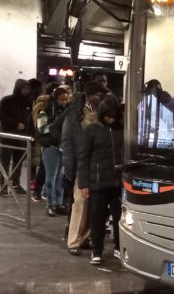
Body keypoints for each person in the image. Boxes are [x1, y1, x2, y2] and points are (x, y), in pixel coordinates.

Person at [77, 95, 125, 265]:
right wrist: (83, 183)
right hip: (97, 182)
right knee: (97, 218)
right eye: (108, 116)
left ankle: (120, 247)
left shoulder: (122, 129)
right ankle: (96, 250)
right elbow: (84, 157)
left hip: (118, 182)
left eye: (114, 117)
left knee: (120, 218)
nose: (111, 120)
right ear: (102, 114)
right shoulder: (91, 130)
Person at [61, 81, 108, 255]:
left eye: (102, 95)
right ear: (89, 95)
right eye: (98, 95)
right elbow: (67, 141)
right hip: (82, 164)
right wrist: (68, 166)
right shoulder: (75, 114)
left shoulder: (101, 113)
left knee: (92, 205)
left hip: (97, 164)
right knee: (80, 203)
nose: (100, 98)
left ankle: (84, 238)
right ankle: (73, 241)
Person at [34, 84, 72, 217]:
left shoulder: (67, 111)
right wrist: (57, 128)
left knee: (60, 178)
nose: (64, 102)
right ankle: (50, 205)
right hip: (50, 147)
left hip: (62, 147)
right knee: (51, 177)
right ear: (55, 99)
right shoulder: (45, 111)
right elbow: (42, 129)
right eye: (61, 99)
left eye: (66, 99)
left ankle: (59, 203)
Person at [0, 78, 32, 193]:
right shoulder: (7, 100)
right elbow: (0, 115)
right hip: (7, 138)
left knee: (18, 163)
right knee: (5, 163)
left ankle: (16, 185)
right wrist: (16, 124)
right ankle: (3, 186)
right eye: (24, 88)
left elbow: (29, 118)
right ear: (18, 88)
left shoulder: (28, 102)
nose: (27, 91)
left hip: (21, 138)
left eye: (28, 88)